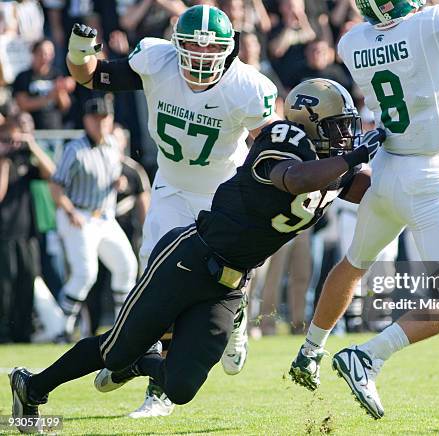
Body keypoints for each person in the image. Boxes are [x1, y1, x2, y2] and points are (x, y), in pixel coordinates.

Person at [8, 78, 384, 434]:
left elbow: (367, 187)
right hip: (189, 258)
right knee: (114, 349)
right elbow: (298, 179)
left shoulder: (332, 167)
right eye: (338, 127)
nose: (346, 137)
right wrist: (357, 155)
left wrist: (397, 161)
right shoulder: (283, 139)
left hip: (229, 286)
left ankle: (140, 362)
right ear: (309, 120)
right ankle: (32, 386)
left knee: (181, 387)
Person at [289, 0, 439, 420]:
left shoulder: (353, 41)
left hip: (386, 167)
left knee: (354, 262)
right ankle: (370, 356)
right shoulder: (434, 24)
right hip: (426, 176)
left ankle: (310, 350)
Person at [64, 4, 279, 417]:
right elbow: (92, 76)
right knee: (158, 285)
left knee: (215, 284)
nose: (198, 61)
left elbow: (269, 148)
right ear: (176, 45)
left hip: (223, 196)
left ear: (228, 51)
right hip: (171, 190)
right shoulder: (157, 60)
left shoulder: (247, 87)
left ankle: (234, 317)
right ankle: (156, 389)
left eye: (209, 52)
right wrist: (78, 51)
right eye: (191, 51)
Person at [49, 96, 138, 339]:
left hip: (105, 217)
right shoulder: (74, 149)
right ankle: (61, 328)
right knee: (85, 273)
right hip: (78, 214)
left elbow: (115, 176)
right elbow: (56, 186)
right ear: (86, 120)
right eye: (94, 118)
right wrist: (69, 211)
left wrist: (119, 183)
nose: (99, 122)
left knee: (126, 265)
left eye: (104, 117)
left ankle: (123, 325)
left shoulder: (112, 145)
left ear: (110, 120)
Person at [0, 114, 56, 343]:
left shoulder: (26, 157)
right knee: (5, 284)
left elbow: (52, 173)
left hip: (28, 233)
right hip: (4, 233)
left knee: (27, 281)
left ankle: (22, 332)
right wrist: (3, 159)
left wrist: (31, 145)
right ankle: (3, 332)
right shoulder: (5, 161)